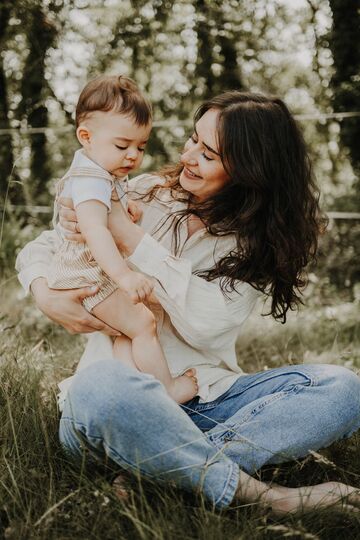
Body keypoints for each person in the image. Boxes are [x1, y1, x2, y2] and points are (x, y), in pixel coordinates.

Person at [16, 90, 360, 515]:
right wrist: (43, 293)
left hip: (207, 398)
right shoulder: (140, 191)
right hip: (123, 403)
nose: (189, 156)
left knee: (344, 389)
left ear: (250, 171)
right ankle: (268, 497)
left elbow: (206, 324)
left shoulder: (255, 245)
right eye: (193, 140)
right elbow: (46, 246)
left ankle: (165, 469)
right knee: (100, 389)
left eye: (209, 154)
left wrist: (130, 238)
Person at [46, 74, 198, 404]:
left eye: (140, 147)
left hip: (88, 273)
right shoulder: (90, 180)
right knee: (143, 323)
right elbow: (96, 230)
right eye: (122, 145)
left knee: (130, 331)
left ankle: (136, 392)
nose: (132, 155)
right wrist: (124, 276)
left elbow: (108, 208)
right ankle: (167, 391)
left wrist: (123, 204)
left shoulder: (102, 171)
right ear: (86, 136)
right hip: (87, 276)